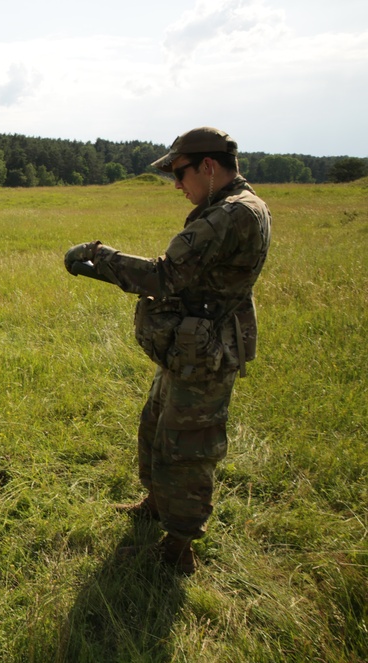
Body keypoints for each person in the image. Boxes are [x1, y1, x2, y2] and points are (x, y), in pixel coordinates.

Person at [64, 127, 271, 575]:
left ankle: (180, 546)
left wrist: (101, 256)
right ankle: (155, 504)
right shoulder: (225, 207)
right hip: (188, 349)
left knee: (188, 448)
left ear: (209, 167)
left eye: (180, 173)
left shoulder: (233, 214)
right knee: (157, 426)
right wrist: (108, 272)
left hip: (205, 356)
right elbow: (187, 278)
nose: (177, 185)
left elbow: (164, 275)